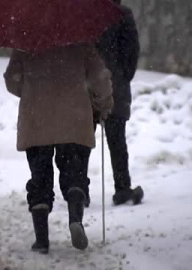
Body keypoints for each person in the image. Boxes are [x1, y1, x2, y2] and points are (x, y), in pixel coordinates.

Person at [4, 44, 113, 253]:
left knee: (40, 179)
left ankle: (42, 240)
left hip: (37, 119)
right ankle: (75, 219)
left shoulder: (26, 41)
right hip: (74, 118)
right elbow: (100, 78)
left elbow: (12, 80)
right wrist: (103, 104)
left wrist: (31, 91)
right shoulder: (80, 40)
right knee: (75, 174)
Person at [94, 0, 144, 205]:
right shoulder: (122, 15)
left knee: (83, 141)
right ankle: (122, 188)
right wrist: (122, 77)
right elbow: (132, 52)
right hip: (115, 85)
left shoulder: (86, 15)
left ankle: (79, 191)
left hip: (88, 85)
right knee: (117, 141)